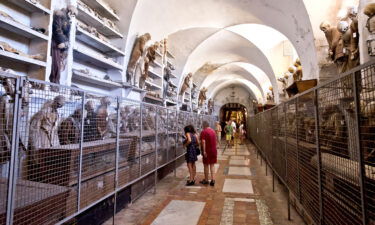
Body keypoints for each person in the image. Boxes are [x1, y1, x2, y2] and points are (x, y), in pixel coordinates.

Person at [200, 121, 217, 186]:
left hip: (207, 151)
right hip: (213, 150)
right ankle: (213, 180)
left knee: (206, 165)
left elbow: (203, 142)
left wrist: (204, 151)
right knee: (212, 165)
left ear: (204, 126)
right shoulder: (213, 131)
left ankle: (206, 180)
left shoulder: (204, 132)